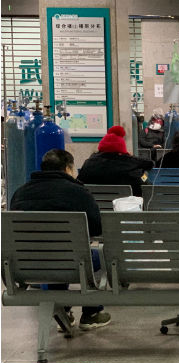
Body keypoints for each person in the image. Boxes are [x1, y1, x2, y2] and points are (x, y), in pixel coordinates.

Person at [10, 149, 111, 330]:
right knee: (95, 256)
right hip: (71, 262)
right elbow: (97, 228)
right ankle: (91, 313)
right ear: (67, 169)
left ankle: (63, 311)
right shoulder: (79, 193)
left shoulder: (20, 194)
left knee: (52, 251)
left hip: (27, 265)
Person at [78, 125, 154, 197]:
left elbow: (79, 185)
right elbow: (147, 188)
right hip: (125, 209)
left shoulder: (88, 165)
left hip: (95, 208)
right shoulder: (132, 169)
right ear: (122, 152)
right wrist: (133, 161)